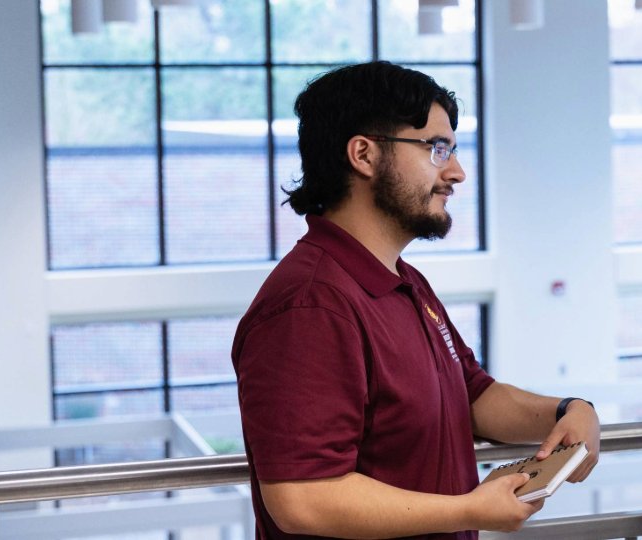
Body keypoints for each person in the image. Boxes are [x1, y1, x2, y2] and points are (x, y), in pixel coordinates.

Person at [232, 61, 600, 539]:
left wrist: (569, 411)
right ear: (363, 155)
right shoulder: (311, 306)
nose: (457, 172)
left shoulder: (404, 281)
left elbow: (472, 397)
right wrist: (468, 510)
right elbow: (303, 499)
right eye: (436, 148)